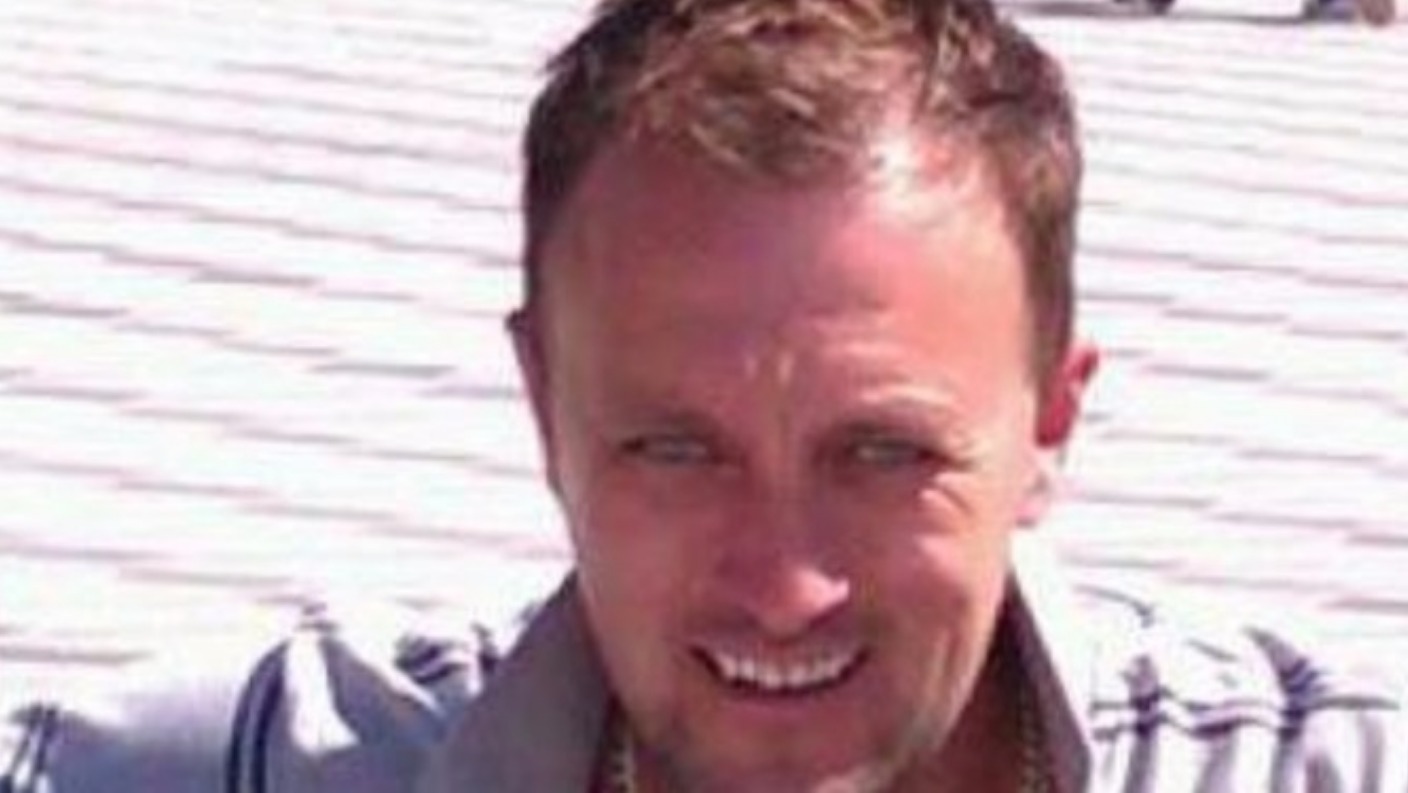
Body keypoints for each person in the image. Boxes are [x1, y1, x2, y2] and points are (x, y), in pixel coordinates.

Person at [4, 0, 1406, 791]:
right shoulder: (294, 764)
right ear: (543, 407)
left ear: (1050, 422)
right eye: (675, 450)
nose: (783, 587)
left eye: (881, 453)